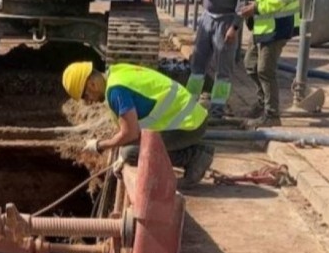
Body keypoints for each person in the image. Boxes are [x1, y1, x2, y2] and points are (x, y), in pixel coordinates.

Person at [62, 60, 215, 190]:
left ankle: (195, 156)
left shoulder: (116, 91)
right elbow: (130, 129)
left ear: (92, 84)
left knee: (131, 153)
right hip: (187, 119)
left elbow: (130, 134)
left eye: (85, 96)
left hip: (188, 125)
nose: (89, 101)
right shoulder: (116, 73)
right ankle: (196, 151)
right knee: (128, 150)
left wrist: (100, 145)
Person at [236, 0, 299, 129]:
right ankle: (263, 104)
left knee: (265, 69)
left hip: (278, 27)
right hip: (263, 29)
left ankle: (272, 115)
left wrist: (256, 7)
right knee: (250, 64)